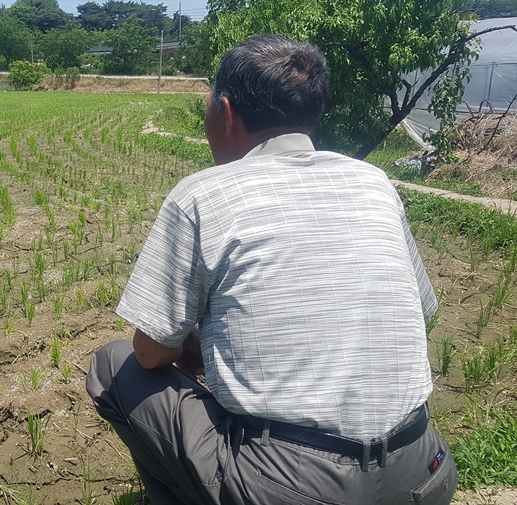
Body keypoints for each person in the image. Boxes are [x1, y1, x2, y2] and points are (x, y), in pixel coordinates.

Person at [86, 34, 458, 505]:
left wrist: (192, 347)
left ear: (225, 111)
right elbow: (421, 312)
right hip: (423, 472)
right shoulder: (374, 182)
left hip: (292, 486)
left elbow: (150, 353)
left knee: (115, 364)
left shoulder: (203, 194)